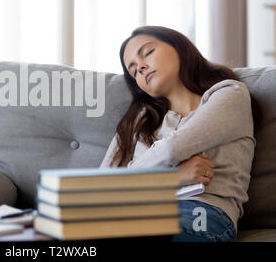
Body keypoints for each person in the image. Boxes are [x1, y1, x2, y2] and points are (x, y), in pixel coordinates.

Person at [99, 26, 260, 242]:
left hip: (201, 212)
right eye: (134, 70)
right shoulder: (138, 121)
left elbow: (172, 149)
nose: (142, 67)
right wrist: (172, 177)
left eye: (147, 53)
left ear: (179, 47)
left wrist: (135, 180)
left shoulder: (230, 93)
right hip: (136, 212)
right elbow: (99, 185)